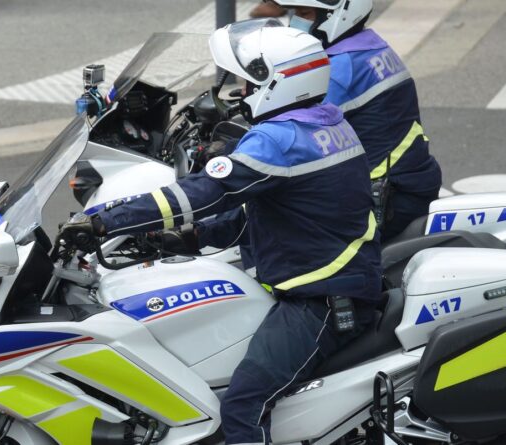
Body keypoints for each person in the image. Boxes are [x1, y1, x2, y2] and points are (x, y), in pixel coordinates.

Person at [61, 20, 382, 445]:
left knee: (243, 404)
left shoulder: (281, 140)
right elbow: (280, 213)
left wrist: (104, 221)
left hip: (321, 299)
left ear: (279, 83)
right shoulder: (325, 123)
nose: (241, 94)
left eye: (249, 84)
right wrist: (189, 239)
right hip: (328, 275)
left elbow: (205, 192)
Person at [268, 0, 442, 240]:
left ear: (337, 15)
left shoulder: (338, 70)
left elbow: (295, 131)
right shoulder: (369, 46)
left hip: (384, 200)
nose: (295, 22)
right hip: (409, 183)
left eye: (304, 13)